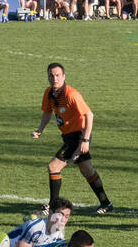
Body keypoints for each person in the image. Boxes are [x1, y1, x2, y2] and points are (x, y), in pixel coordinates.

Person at [32, 62, 112, 214]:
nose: (54, 78)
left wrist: (85, 140)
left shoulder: (71, 94)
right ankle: (106, 204)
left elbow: (89, 115)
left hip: (78, 136)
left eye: (57, 75)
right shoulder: (49, 93)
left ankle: (53, 207)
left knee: (53, 167)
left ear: (63, 77)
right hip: (68, 137)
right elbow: (47, 113)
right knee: (87, 170)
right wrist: (39, 130)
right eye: (51, 75)